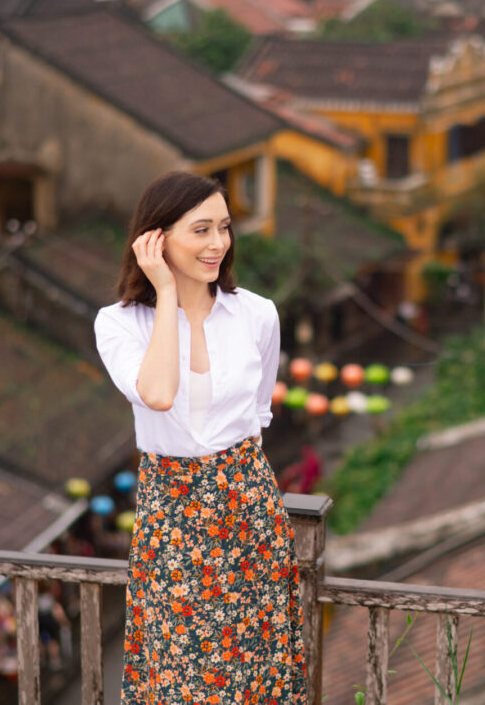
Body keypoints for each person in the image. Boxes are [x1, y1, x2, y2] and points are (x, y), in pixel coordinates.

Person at [94, 171, 307, 703]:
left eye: (225, 228)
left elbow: (258, 417)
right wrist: (166, 291)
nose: (218, 244)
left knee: (259, 671)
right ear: (155, 239)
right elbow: (159, 393)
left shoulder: (257, 314)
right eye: (201, 230)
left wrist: (247, 497)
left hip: (249, 509)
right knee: (181, 677)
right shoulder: (118, 325)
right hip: (173, 518)